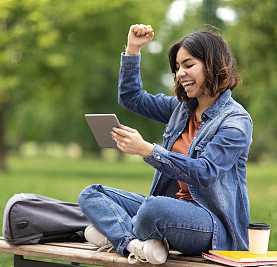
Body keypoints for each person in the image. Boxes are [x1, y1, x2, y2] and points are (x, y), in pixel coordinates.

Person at [78, 24, 253, 265]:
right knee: (91, 194)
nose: (180, 73)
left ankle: (116, 232)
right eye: (178, 67)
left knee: (153, 209)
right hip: (172, 211)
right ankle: (131, 243)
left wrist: (148, 150)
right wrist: (133, 50)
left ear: (212, 65)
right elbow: (131, 98)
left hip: (211, 227)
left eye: (188, 65)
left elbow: (205, 172)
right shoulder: (181, 109)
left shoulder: (236, 121)